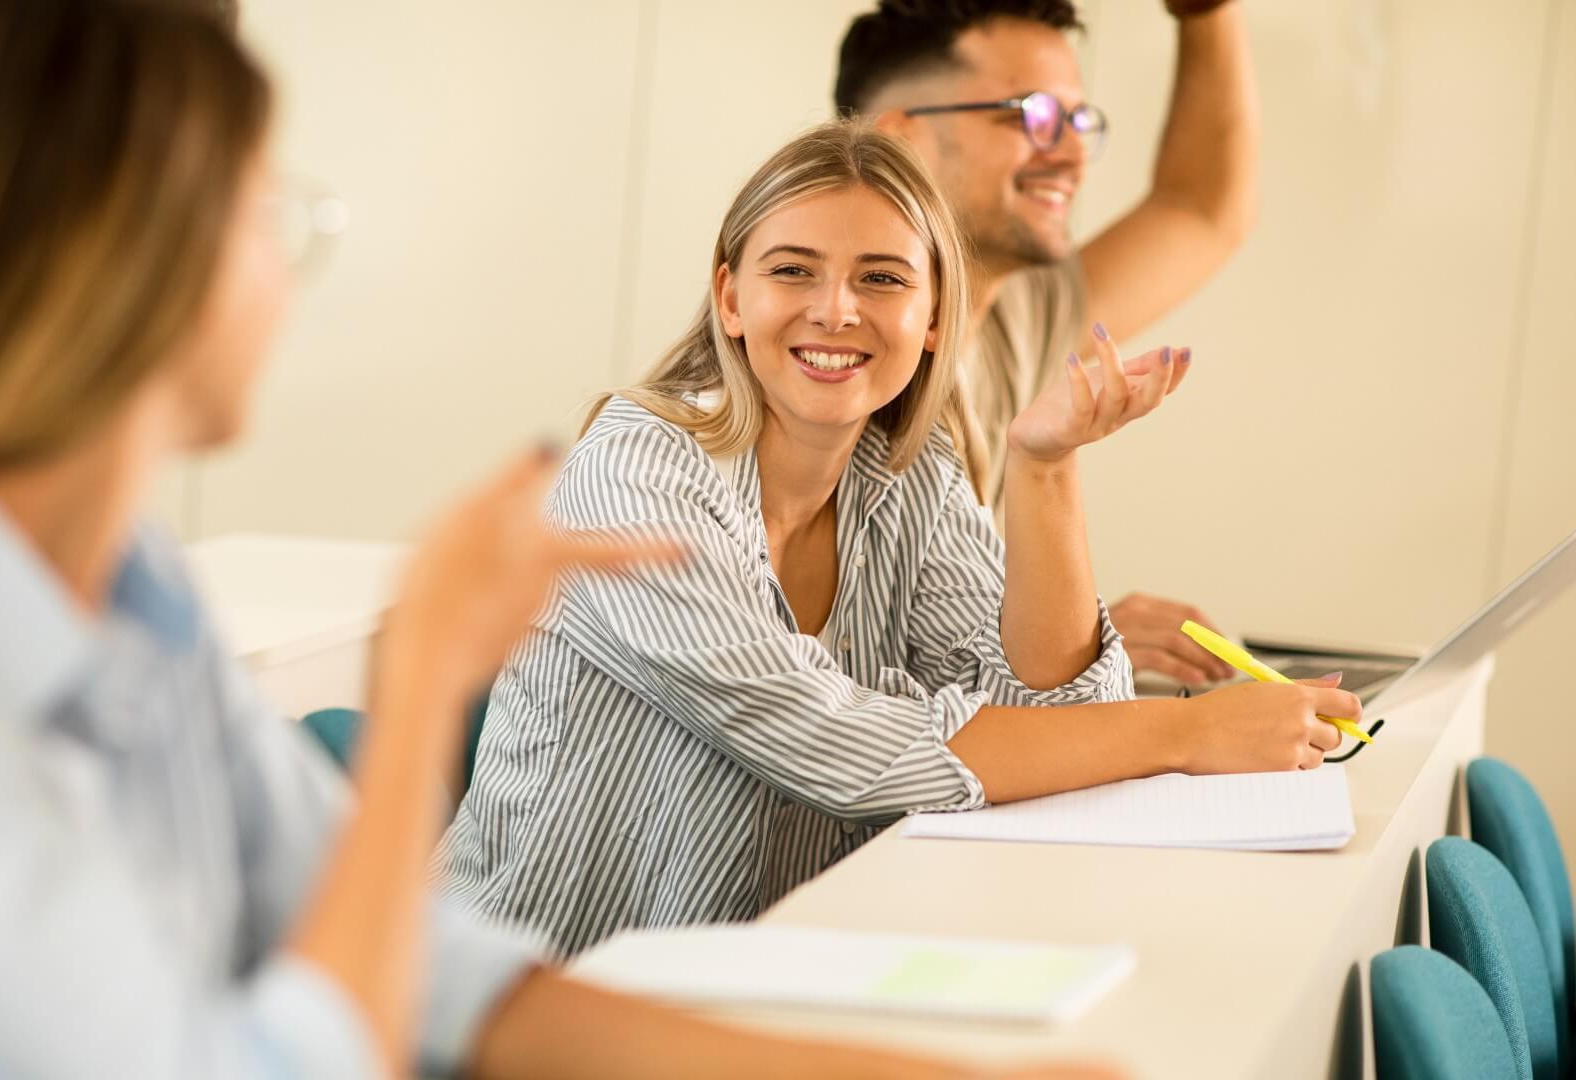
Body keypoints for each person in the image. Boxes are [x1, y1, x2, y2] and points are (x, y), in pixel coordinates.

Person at [0, 3, 1117, 1078]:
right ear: (122, 253)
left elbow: (449, 978)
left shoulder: (134, 604)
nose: (293, 259)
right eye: (270, 207)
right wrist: (426, 674)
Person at [437, 119, 1359, 958]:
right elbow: (837, 747)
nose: (836, 310)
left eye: (882, 278)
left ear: (930, 321)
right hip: (523, 1003)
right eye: (792, 270)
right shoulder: (640, 468)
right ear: (729, 296)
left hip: (756, 981)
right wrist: (1188, 731)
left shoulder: (910, 472)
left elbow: (1057, 721)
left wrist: (1043, 468)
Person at [836, 0, 1258, 686]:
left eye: (1077, 122)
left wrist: (1205, 12)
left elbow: (1201, 209)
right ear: (900, 142)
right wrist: (1076, 647)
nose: (1068, 155)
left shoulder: (1016, 308)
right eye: (1031, 115)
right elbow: (862, 700)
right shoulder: (832, 375)